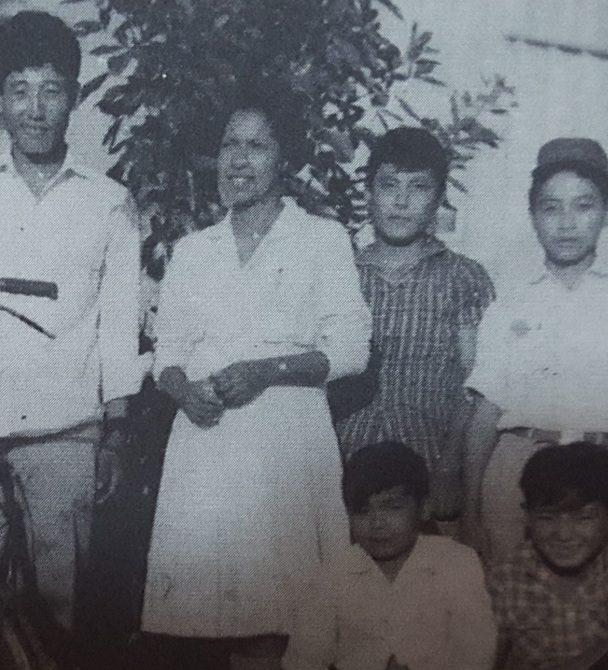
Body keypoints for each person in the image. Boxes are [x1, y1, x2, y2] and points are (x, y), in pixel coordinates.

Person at [0, 11, 142, 632]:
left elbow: (119, 327)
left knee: (58, 611)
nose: (35, 109)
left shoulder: (109, 203)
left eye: (51, 91)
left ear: (72, 97)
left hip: (65, 429)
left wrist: (115, 432)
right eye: (20, 90)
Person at [139, 84, 372, 670]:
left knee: (279, 630)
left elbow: (349, 349)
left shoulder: (322, 239)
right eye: (229, 146)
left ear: (284, 157)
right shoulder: (194, 250)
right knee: (206, 628)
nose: (239, 161)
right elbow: (166, 352)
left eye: (257, 146)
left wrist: (266, 371)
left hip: (285, 443)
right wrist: (181, 390)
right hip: (206, 444)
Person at [462, 138, 608, 558]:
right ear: (533, 216)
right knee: (513, 610)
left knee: (604, 614)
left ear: (607, 213)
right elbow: (486, 413)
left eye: (583, 205)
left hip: (605, 475)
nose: (566, 223)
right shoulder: (511, 305)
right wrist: (470, 511)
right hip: (518, 473)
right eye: (550, 208)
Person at [334, 127, 495, 527]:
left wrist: (450, 469)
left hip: (429, 474)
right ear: (368, 193)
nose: (401, 201)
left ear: (439, 198)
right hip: (343, 473)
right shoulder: (339, 275)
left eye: (418, 187)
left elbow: (475, 384)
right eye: (388, 186)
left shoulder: (464, 278)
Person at [282, 442, 497, 670]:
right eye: (362, 511)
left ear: (424, 508)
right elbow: (303, 661)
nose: (377, 523)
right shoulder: (332, 577)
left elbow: (478, 655)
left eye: (393, 508)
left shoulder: (457, 564)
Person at [488, 443, 608, 669]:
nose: (564, 535)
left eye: (584, 518)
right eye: (547, 518)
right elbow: (491, 657)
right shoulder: (507, 574)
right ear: (527, 518)